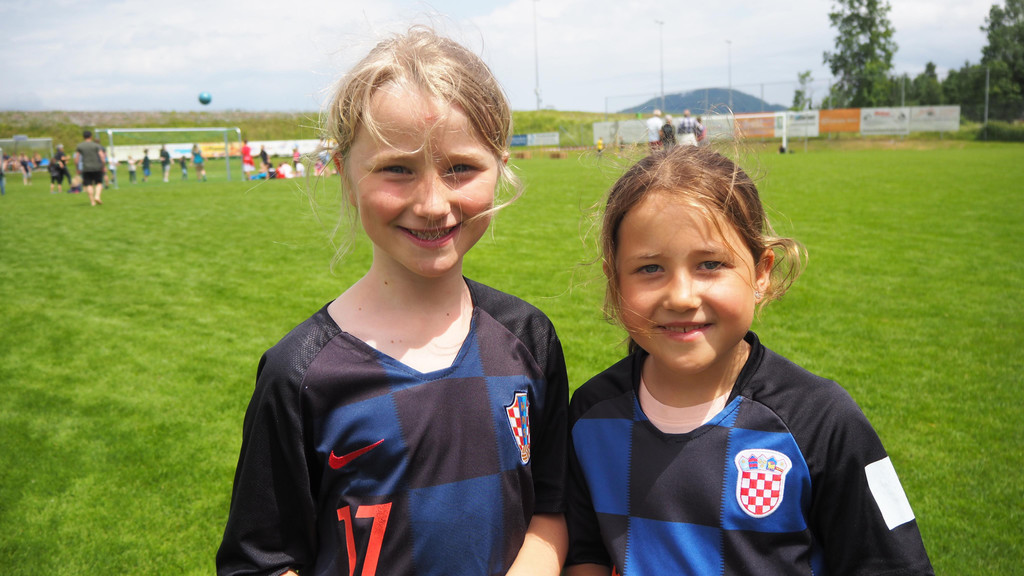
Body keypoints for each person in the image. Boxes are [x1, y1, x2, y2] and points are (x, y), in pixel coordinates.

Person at [217, 26, 569, 576]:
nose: (432, 204)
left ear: (500, 165)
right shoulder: (302, 374)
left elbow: (551, 508)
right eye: (397, 169)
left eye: (460, 168)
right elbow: (261, 560)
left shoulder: (528, 338)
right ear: (344, 172)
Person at [565, 146, 934, 575]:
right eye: (650, 269)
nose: (681, 297)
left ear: (761, 272)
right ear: (615, 282)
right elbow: (585, 553)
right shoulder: (590, 414)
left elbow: (891, 564)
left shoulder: (821, 419)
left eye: (710, 264)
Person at [74, 130, 106, 206]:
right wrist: (103, 166)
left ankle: (92, 202)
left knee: (89, 184)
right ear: (91, 136)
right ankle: (97, 196)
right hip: (97, 167)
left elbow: (76, 159)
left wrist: (77, 168)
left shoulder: (80, 146)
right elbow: (102, 157)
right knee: (99, 183)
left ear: (83, 137)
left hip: (86, 168)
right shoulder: (96, 145)